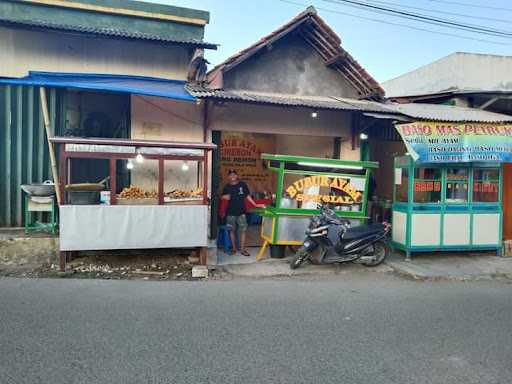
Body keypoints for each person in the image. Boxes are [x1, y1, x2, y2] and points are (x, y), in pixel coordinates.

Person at [221, 169, 265, 256]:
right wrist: (224, 197)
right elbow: (222, 196)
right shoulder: (226, 187)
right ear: (228, 177)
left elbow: (247, 196)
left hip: (241, 213)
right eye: (231, 175)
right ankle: (233, 248)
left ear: (237, 176)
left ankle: (242, 250)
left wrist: (255, 204)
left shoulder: (242, 185)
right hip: (230, 213)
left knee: (243, 231)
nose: (232, 176)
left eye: (234, 174)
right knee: (232, 231)